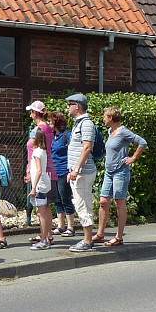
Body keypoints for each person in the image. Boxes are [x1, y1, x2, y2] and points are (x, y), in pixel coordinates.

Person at [93, 106, 147, 246]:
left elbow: (142, 142)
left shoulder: (123, 131)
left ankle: (119, 237)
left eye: (105, 116)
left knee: (119, 202)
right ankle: (100, 234)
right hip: (109, 172)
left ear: (110, 118)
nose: (103, 119)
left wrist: (133, 158)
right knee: (103, 202)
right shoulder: (110, 131)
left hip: (120, 172)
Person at [66, 93, 98, 252]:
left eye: (69, 105)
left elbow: (87, 148)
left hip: (83, 173)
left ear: (77, 106)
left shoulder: (86, 124)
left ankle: (87, 241)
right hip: (77, 172)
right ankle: (87, 240)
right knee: (81, 205)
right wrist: (71, 169)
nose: (67, 108)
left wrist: (76, 169)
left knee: (83, 206)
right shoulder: (78, 123)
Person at [25, 100, 59, 244]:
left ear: (34, 113)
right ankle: (47, 235)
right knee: (46, 206)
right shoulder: (49, 128)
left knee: (41, 208)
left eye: (31, 112)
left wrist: (28, 171)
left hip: (39, 170)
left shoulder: (37, 131)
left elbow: (32, 152)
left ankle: (44, 237)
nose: (30, 114)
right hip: (49, 169)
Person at [49, 111, 76, 237]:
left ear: (56, 122)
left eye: (51, 121)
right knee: (58, 199)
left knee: (66, 198)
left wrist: (71, 170)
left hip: (64, 171)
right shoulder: (52, 136)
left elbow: (73, 151)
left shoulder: (67, 135)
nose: (49, 123)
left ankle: (70, 226)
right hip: (54, 172)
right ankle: (61, 225)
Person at [29, 126, 52, 250]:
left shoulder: (37, 152)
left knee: (40, 213)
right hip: (44, 183)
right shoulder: (42, 151)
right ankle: (46, 238)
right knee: (42, 211)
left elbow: (38, 170)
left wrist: (33, 188)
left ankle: (43, 239)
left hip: (39, 185)